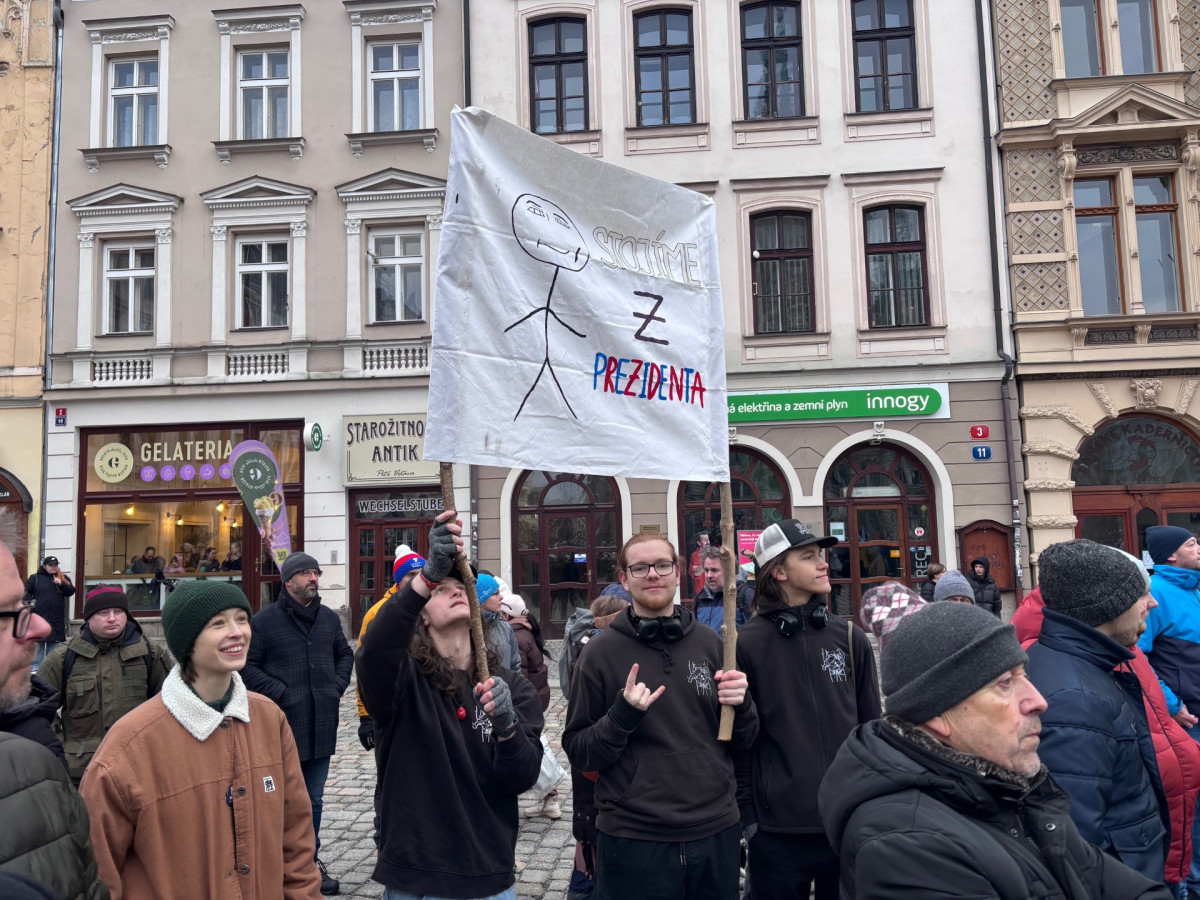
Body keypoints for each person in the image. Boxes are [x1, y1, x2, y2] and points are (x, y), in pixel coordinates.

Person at [819, 601, 1172, 898]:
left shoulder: (1013, 786)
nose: (1038, 700)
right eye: (1004, 683)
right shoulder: (907, 845)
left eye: (1024, 675)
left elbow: (1109, 880)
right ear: (938, 713)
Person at [80, 580, 322, 900]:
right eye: (218, 623)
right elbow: (97, 871)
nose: (237, 632)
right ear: (188, 639)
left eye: (241, 619)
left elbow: (296, 838)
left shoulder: (269, 719)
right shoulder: (129, 745)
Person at [356, 509, 544, 899]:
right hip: (414, 876)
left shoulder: (511, 689)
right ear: (421, 617)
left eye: (463, 585)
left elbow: (522, 778)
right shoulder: (402, 681)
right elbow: (375, 651)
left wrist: (507, 728)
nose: (456, 589)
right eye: (442, 588)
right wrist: (426, 578)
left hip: (486, 874)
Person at [563, 533, 758, 900]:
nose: (653, 574)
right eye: (640, 567)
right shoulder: (598, 655)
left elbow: (745, 739)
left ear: (678, 573)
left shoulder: (711, 644)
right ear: (624, 579)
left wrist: (743, 704)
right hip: (633, 838)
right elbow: (579, 751)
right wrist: (620, 718)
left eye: (662, 565)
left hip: (715, 831)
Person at [1014, 560, 1200, 895]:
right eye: (1140, 594)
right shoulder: (1075, 699)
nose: (1153, 602)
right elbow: (1077, 845)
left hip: (1145, 859)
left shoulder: (1100, 662)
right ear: (1108, 603)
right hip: (1130, 877)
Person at [737, 520, 881, 900]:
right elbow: (738, 744)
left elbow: (872, 732)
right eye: (808, 556)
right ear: (779, 572)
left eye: (821, 554)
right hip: (776, 833)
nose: (823, 564)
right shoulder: (745, 646)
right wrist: (750, 821)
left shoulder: (850, 638)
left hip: (845, 825)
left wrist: (871, 808)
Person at [0, 517, 108, 900]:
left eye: (21, 605)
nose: (37, 627)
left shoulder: (36, 752)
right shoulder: (35, 580)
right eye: (5, 613)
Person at [242, 552, 353, 895]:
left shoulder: (329, 619)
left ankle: (307, 863)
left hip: (321, 724)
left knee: (313, 799)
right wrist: (280, 692)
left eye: (315, 572)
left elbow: (345, 654)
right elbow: (246, 666)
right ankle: (275, 865)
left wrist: (336, 687)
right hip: (281, 726)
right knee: (278, 799)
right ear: (288, 581)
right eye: (305, 573)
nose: (313, 578)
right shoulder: (264, 622)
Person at [38, 585, 172, 785]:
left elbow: (170, 706)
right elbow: (39, 712)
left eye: (118, 611)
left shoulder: (150, 653)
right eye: (103, 613)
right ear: (88, 617)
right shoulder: (63, 658)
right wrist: (62, 750)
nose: (112, 618)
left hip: (139, 768)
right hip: (80, 773)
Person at [1140, 524, 1200, 893]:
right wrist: (1172, 705)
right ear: (1172, 555)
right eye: (1192, 543)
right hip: (1187, 719)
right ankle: (1192, 885)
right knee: (1192, 809)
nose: (1199, 547)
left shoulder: (1194, 588)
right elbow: (1138, 657)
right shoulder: (1156, 593)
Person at [566, 591, 631, 900]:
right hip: (599, 768)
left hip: (594, 771)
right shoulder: (597, 652)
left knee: (588, 842)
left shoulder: (584, 645)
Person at [356, 546, 427, 752]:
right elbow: (364, 666)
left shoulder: (432, 607)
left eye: (421, 574)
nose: (417, 579)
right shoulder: (377, 613)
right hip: (392, 703)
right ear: (398, 581)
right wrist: (365, 716)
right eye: (410, 575)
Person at [500, 592, 559, 821]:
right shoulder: (525, 631)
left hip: (525, 702)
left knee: (529, 748)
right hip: (536, 696)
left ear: (507, 615)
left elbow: (520, 676)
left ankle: (550, 795)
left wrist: (518, 703)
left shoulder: (517, 636)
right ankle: (549, 796)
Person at [23, 555, 75, 669]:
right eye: (51, 565)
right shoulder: (35, 578)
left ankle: (50, 670)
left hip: (56, 619)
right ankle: (36, 669)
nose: (54, 567)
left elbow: (71, 591)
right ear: (44, 566)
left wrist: (61, 584)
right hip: (39, 618)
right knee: (38, 646)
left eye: (56, 565)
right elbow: (24, 593)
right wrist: (33, 606)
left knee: (54, 649)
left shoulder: (62, 577)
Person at [693, 545, 754, 634]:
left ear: (729, 570)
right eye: (706, 570)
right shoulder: (701, 597)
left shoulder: (745, 595)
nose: (709, 575)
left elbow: (755, 635)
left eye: (714, 570)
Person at [689, 532, 710, 597]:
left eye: (708, 539)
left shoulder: (712, 554)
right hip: (701, 592)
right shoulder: (695, 555)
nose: (708, 542)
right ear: (698, 543)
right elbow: (695, 574)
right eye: (704, 540)